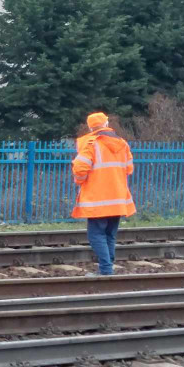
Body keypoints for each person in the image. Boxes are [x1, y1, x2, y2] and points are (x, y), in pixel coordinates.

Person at [71, 112, 135, 276]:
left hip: (97, 199)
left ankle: (106, 270)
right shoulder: (122, 143)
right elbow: (129, 169)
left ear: (91, 127)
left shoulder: (91, 143)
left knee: (96, 235)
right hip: (118, 198)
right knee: (109, 235)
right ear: (106, 124)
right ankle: (107, 268)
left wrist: (80, 180)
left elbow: (80, 167)